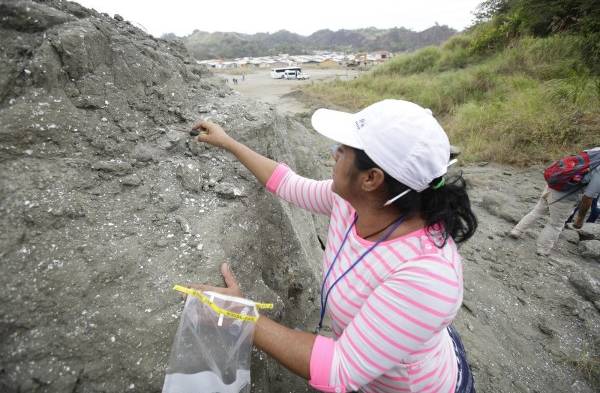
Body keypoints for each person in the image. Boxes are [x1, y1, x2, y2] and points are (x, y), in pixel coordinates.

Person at [189, 100, 477, 392]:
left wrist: (237, 314)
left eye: (343, 150)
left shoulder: (427, 274)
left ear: (371, 178)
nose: (334, 153)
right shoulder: (352, 203)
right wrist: (229, 143)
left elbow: (340, 369)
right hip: (384, 364)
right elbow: (288, 184)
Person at [510, 147, 600, 255]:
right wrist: (580, 219)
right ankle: (543, 249)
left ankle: (517, 231)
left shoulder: (595, 151)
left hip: (553, 184)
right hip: (565, 196)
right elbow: (588, 197)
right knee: (556, 224)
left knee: (537, 211)